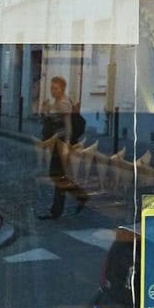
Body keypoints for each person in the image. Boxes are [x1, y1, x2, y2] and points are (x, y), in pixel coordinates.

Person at [36, 76, 89, 219]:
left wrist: (66, 145)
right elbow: (52, 123)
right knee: (57, 176)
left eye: (56, 88)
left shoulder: (64, 104)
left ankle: (60, 209)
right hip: (56, 144)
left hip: (62, 145)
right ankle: (76, 198)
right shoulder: (56, 102)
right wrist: (46, 112)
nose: (53, 91)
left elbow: (68, 127)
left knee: (56, 175)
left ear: (62, 89)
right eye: (51, 88)